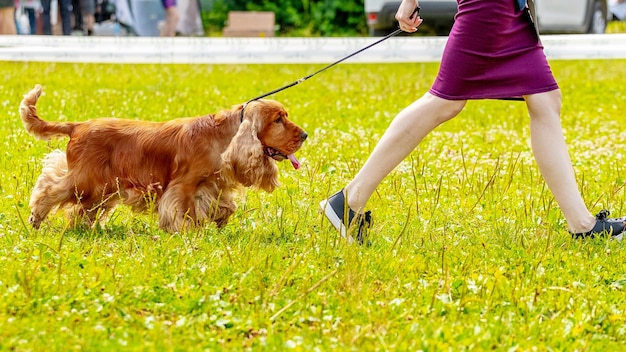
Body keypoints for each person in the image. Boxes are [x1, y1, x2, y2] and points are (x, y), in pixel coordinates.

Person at [320, 0, 626, 244]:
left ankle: (582, 224)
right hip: (488, 7)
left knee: (545, 99)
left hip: (511, 9)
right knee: (444, 101)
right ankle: (349, 200)